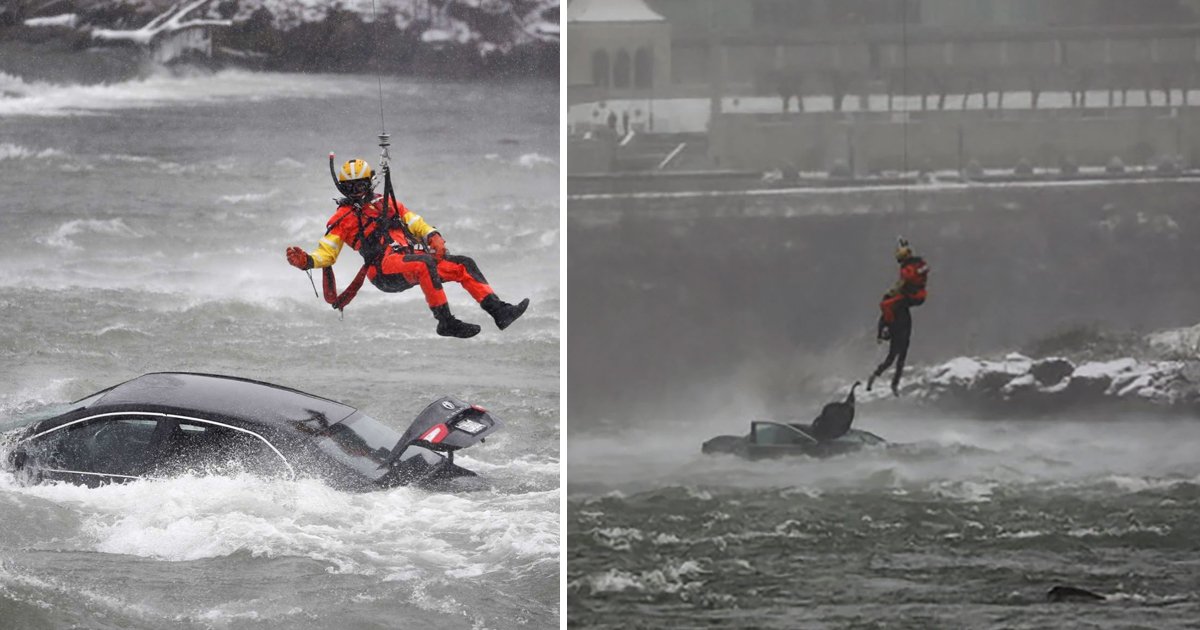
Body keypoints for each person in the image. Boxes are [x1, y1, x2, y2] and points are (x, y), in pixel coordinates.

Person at [285, 158, 528, 339]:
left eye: (361, 185)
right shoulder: (342, 218)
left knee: (464, 264)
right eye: (351, 187)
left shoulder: (387, 203)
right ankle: (446, 322)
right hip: (383, 271)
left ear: (369, 182)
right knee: (424, 264)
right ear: (343, 188)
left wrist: (433, 235)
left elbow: (414, 221)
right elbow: (327, 253)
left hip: (411, 259)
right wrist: (307, 261)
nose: (357, 191)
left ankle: (500, 312)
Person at [868, 238, 929, 396]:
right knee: (898, 356)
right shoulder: (917, 264)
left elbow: (902, 282)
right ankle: (889, 382)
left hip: (911, 297)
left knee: (885, 305)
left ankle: (884, 379)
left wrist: (892, 293)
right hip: (911, 300)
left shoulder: (909, 269)